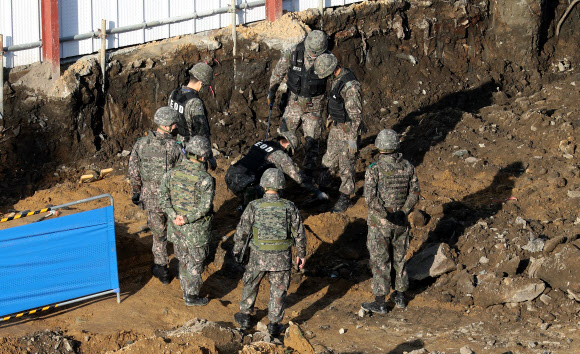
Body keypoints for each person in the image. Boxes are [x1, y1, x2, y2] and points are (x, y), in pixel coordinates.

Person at [232, 168, 306, 336]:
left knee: (251, 284)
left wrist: (237, 250)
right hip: (282, 258)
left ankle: (244, 316)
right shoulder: (289, 207)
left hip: (258, 257)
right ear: (281, 187)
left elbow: (242, 231)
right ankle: (274, 324)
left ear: (263, 186)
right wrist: (301, 254)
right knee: (279, 289)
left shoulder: (254, 206)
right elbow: (299, 233)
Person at [362, 129, 421, 313]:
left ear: (379, 146)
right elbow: (415, 192)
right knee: (400, 259)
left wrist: (386, 213)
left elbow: (370, 199)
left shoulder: (374, 169)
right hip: (401, 222)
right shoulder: (408, 167)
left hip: (380, 223)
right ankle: (401, 296)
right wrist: (403, 211)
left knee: (380, 261)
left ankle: (380, 302)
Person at [158, 136, 215, 306]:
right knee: (196, 263)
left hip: (176, 228)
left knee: (182, 258)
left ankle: (185, 288)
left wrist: (173, 215)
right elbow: (205, 207)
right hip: (196, 231)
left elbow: (163, 198)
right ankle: (192, 295)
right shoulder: (205, 179)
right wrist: (187, 218)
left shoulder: (171, 174)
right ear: (203, 157)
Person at [128, 107, 182, 285]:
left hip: (151, 199)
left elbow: (133, 169)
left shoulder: (141, 144)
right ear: (167, 126)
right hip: (172, 199)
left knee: (158, 234)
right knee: (178, 232)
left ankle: (162, 270)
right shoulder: (174, 147)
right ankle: (183, 267)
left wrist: (136, 191)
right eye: (174, 124)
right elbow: (182, 173)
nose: (175, 127)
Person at [268, 30, 330, 176]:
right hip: (293, 103)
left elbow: (335, 83)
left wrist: (333, 109)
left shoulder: (328, 59)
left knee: (312, 142)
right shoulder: (294, 52)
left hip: (314, 106)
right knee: (284, 137)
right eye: (312, 51)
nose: (314, 55)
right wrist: (272, 90)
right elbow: (278, 72)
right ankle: (278, 170)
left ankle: (308, 176)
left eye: (317, 52)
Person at [225, 131, 327, 210]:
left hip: (230, 176)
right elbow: (298, 176)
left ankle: (245, 203)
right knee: (275, 186)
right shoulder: (279, 155)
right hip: (243, 183)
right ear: (288, 146)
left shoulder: (261, 143)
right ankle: (252, 209)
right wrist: (317, 191)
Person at [314, 52, 363, 213]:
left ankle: (345, 199)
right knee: (328, 160)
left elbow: (356, 115)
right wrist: (330, 116)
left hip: (348, 130)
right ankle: (322, 193)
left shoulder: (350, 86)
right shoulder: (336, 78)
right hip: (336, 127)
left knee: (346, 166)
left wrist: (352, 139)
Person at [168, 62, 217, 169]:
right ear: (201, 83)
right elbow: (202, 132)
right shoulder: (195, 102)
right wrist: (209, 156)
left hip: (174, 146)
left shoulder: (174, 93)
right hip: (190, 150)